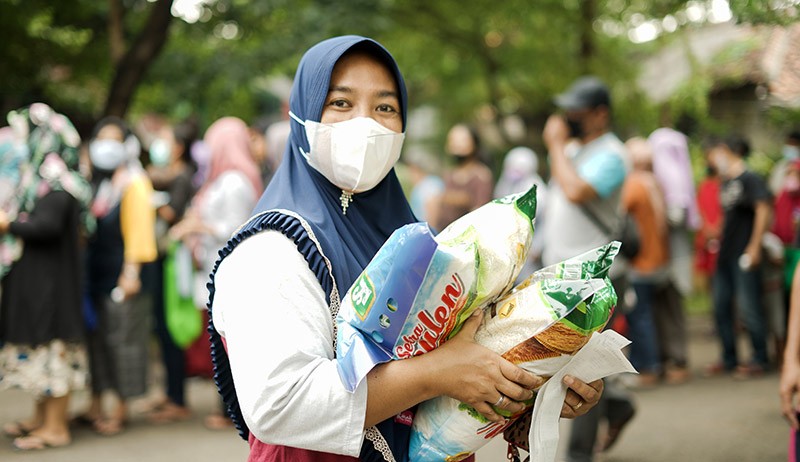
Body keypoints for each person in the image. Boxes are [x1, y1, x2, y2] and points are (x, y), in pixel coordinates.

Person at [206, 35, 603, 461]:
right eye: (340, 103)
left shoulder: (417, 239)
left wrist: (530, 391)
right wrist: (433, 374)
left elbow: (455, 381)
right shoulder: (270, 251)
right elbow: (280, 406)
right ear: (302, 116)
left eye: (385, 108)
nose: (366, 124)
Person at [539, 75, 634, 461]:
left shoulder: (613, 154)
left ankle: (578, 454)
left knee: (583, 366)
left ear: (600, 114)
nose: (569, 117)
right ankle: (617, 406)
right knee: (570, 358)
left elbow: (577, 192)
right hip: (563, 273)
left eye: (578, 111)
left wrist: (556, 146)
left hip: (597, 275)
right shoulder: (575, 150)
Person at [0, 104, 94, 450]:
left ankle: (56, 427)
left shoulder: (58, 182)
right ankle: (40, 419)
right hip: (38, 283)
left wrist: (7, 223)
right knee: (38, 354)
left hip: (53, 287)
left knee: (53, 354)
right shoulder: (38, 180)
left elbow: (47, 226)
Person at [169, 116, 263, 430]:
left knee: (229, 344)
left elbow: (236, 229)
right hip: (217, 270)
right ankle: (227, 409)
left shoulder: (235, 181)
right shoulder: (226, 179)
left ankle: (231, 411)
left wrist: (199, 226)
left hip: (230, 272)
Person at [80, 116, 158, 436]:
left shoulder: (134, 182)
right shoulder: (98, 183)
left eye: (114, 139)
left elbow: (140, 233)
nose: (106, 147)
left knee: (123, 341)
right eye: (102, 138)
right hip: (96, 274)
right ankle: (96, 402)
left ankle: (121, 408)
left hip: (123, 275)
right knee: (96, 341)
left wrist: (131, 274)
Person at [705, 135, 772, 378]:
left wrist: (754, 247)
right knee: (721, 306)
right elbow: (730, 215)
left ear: (724, 150)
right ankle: (729, 357)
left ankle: (760, 358)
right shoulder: (726, 181)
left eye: (712, 154)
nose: (711, 160)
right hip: (726, 254)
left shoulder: (750, 179)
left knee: (749, 306)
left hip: (744, 253)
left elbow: (763, 209)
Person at [144, 123, 197, 424]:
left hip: (172, 260)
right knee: (161, 326)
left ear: (178, 146)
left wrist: (149, 202)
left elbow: (171, 212)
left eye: (165, 139)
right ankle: (169, 392)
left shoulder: (182, 176)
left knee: (170, 325)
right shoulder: (162, 175)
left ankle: (178, 398)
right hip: (160, 258)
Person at [648, 127, 698, 384]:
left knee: (673, 308)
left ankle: (678, 359)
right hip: (661, 256)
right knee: (661, 308)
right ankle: (667, 357)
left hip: (674, 256)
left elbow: (677, 216)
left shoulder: (673, 175)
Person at [620, 137, 670, 388]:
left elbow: (617, 215)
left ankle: (647, 367)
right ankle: (653, 363)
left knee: (640, 317)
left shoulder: (633, 185)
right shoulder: (654, 184)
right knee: (648, 314)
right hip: (657, 260)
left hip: (640, 262)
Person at [494, 146, 548, 277]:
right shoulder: (505, 184)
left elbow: (544, 222)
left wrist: (537, 248)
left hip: (529, 252)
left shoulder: (539, 191)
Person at [433, 123, 493, 231]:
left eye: (462, 140)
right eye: (452, 140)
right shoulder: (449, 175)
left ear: (474, 144)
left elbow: (480, 211)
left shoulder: (482, 176)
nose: (456, 144)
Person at [768, 130, 800, 196]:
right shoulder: (780, 165)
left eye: (795, 144)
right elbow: (773, 188)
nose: (791, 147)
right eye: (789, 143)